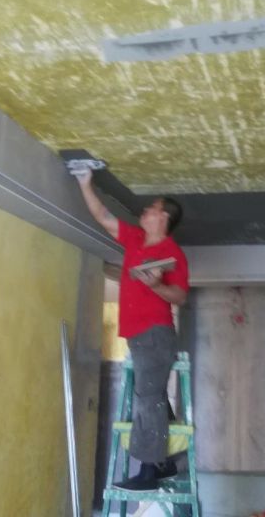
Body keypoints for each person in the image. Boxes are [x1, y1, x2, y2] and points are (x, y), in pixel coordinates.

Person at [73, 167, 189, 491]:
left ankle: (149, 472)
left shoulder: (172, 254)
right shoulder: (136, 238)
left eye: (152, 208)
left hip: (155, 334)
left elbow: (180, 296)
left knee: (147, 399)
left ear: (164, 217)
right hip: (141, 335)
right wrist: (85, 182)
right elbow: (103, 216)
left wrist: (156, 286)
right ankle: (165, 463)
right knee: (152, 397)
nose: (145, 210)